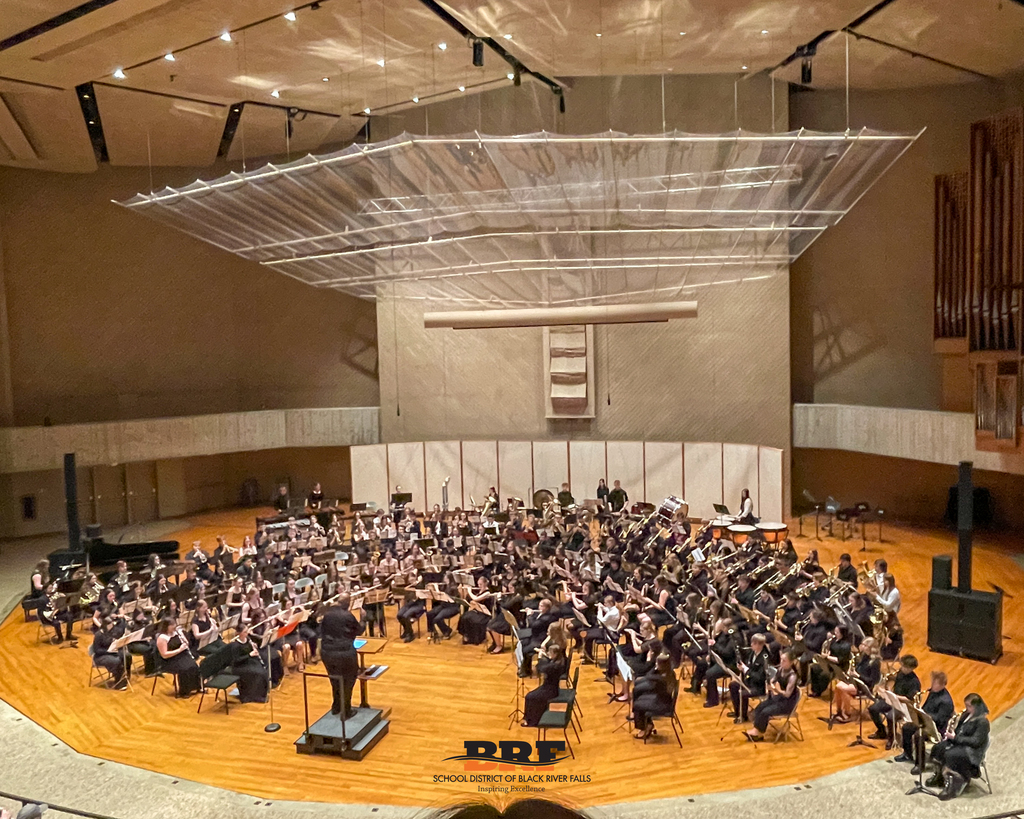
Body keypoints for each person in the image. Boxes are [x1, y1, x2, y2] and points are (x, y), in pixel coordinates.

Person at [924, 693, 991, 800]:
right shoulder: (965, 716)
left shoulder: (983, 723)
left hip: (972, 751)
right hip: (960, 743)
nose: (966, 708)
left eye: (969, 706)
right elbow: (959, 731)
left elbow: (975, 742)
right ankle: (939, 776)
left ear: (976, 707)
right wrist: (951, 734)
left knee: (950, 755)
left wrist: (955, 738)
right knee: (938, 748)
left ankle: (953, 786)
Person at [896, 670, 955, 765]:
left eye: (935, 684)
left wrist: (925, 715)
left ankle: (920, 764)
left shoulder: (946, 701)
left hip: (936, 728)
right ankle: (907, 754)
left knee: (918, 735)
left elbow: (940, 719)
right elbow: (926, 707)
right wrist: (919, 711)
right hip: (925, 721)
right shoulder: (933, 692)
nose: (932, 685)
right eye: (932, 682)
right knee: (906, 727)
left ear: (943, 685)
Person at [320, 594, 363, 718]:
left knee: (334, 680)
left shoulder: (327, 614)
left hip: (327, 652)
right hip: (344, 653)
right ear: (348, 603)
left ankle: (336, 706)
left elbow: (322, 630)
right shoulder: (348, 616)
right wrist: (363, 619)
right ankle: (347, 710)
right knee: (348, 680)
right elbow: (358, 630)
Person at [744, 649, 800, 740]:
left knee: (765, 712)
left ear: (791, 662)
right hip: (780, 698)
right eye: (781, 659)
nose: (781, 662)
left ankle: (757, 733)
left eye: (784, 661)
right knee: (760, 707)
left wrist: (777, 690)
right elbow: (773, 679)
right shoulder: (781, 669)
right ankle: (758, 731)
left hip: (787, 703)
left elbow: (787, 694)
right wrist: (769, 684)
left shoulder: (792, 676)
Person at [868, 654, 921, 741]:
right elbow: (895, 685)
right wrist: (888, 690)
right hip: (893, 700)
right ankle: (881, 731)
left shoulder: (914, 682)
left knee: (890, 716)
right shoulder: (901, 673)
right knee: (873, 709)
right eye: (902, 665)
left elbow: (910, 699)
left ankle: (891, 738)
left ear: (911, 668)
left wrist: (895, 697)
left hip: (903, 706)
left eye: (905, 667)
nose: (902, 668)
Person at [632, 653, 677, 739]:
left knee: (637, 705)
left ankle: (644, 729)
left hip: (662, 705)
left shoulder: (662, 678)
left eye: (657, 664)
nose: (655, 665)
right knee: (639, 698)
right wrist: (656, 667)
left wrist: (655, 668)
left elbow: (648, 675)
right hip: (661, 699)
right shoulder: (668, 671)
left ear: (662, 665)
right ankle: (648, 724)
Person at [521, 644, 567, 727]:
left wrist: (539, 657)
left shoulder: (555, 666)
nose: (549, 653)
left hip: (550, 691)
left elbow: (541, 668)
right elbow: (548, 661)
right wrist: (544, 654)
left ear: (555, 654)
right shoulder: (558, 661)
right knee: (530, 696)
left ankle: (532, 721)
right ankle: (529, 718)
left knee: (530, 697)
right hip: (549, 687)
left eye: (550, 652)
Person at [155, 617, 201, 698]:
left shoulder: (176, 632)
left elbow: (186, 644)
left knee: (194, 665)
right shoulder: (161, 638)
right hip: (169, 660)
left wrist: (183, 637)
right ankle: (184, 692)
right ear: (166, 626)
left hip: (181, 655)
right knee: (185, 669)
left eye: (174, 624)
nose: (174, 626)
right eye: (172, 625)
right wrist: (179, 650)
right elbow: (164, 654)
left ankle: (197, 687)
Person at [91, 616, 129, 689]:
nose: (112, 627)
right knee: (116, 660)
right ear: (106, 626)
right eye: (110, 625)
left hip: (110, 652)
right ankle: (118, 682)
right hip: (100, 656)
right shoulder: (98, 635)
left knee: (124, 655)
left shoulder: (111, 632)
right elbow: (97, 650)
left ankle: (122, 677)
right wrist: (109, 651)